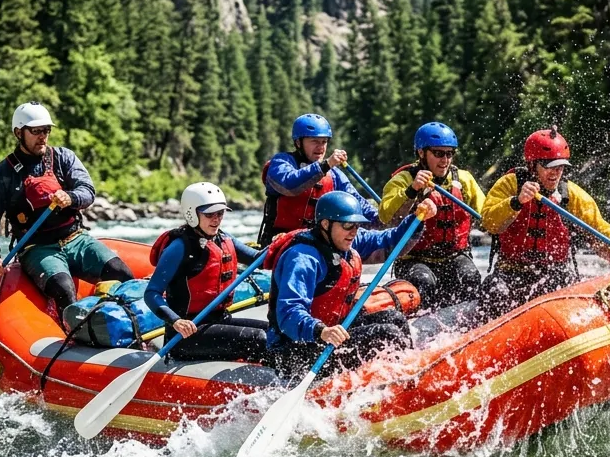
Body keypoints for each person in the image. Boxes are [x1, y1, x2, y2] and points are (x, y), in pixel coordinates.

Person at [0, 102, 133, 318]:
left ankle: (125, 326)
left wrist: (71, 197)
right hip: (37, 247)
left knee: (122, 273)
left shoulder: (63, 158)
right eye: (36, 131)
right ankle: (71, 338)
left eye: (46, 130)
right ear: (18, 132)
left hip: (75, 239)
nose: (43, 136)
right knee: (64, 288)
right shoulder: (2, 175)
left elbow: (88, 191)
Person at [478, 127, 610, 320]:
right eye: (549, 166)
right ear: (533, 165)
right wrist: (516, 202)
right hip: (512, 272)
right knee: (494, 293)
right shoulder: (510, 184)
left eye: (560, 167)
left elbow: (600, 230)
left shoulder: (571, 195)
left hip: (555, 273)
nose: (556, 173)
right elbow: (488, 222)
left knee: (570, 296)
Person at [265, 191, 438, 378]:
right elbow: (289, 313)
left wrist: (417, 220)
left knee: (394, 318)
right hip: (298, 348)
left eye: (357, 225)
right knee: (387, 333)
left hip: (333, 331)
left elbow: (390, 241)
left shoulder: (346, 240)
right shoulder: (302, 259)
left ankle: (405, 375)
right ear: (325, 224)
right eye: (348, 225)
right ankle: (398, 383)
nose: (354, 232)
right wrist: (321, 330)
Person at [144, 182, 268, 363]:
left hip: (219, 322)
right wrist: (177, 321)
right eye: (209, 214)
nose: (216, 219)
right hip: (186, 334)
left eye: (220, 213)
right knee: (258, 338)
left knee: (274, 331)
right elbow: (151, 293)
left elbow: (260, 259)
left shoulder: (223, 238)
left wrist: (286, 242)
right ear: (191, 214)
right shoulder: (179, 247)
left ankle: (287, 378)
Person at [380, 122, 486, 309]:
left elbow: (486, 215)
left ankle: (471, 325)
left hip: (454, 256)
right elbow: (387, 218)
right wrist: (412, 191)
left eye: (449, 153)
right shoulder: (403, 179)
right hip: (414, 259)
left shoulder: (463, 179)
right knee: (424, 282)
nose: (445, 160)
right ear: (421, 153)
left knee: (470, 277)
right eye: (438, 153)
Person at [259, 113, 379, 244]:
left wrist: (381, 219)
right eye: (314, 141)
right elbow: (289, 186)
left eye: (324, 142)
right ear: (298, 142)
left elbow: (357, 203)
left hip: (318, 245)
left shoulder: (334, 175)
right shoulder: (282, 162)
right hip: (279, 243)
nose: (321, 147)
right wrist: (325, 165)